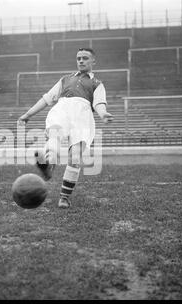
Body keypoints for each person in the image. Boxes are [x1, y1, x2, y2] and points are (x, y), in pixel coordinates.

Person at [17, 48, 114, 209]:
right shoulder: (65, 79)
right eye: (78, 58)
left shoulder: (97, 84)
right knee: (54, 134)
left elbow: (98, 103)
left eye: (85, 58)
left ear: (93, 62)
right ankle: (48, 164)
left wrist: (103, 114)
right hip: (62, 109)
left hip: (82, 116)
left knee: (75, 157)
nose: (81, 61)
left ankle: (64, 197)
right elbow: (47, 98)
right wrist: (27, 114)